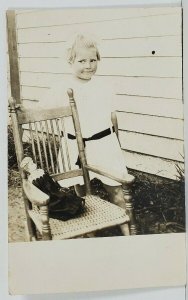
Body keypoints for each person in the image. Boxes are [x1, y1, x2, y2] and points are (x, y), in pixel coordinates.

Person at [47, 33, 129, 232]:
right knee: (82, 192)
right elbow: (42, 110)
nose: (88, 65)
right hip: (74, 145)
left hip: (103, 143)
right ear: (70, 61)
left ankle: (127, 229)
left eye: (93, 60)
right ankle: (90, 228)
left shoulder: (104, 86)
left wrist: (115, 144)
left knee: (116, 189)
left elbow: (112, 116)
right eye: (82, 60)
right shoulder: (61, 87)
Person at [20, 156, 85, 221]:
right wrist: (39, 202)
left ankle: (75, 208)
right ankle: (67, 212)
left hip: (54, 191)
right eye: (32, 164)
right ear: (28, 169)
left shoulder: (41, 171)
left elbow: (51, 180)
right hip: (46, 197)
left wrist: (59, 187)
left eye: (33, 162)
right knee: (59, 202)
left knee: (67, 196)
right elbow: (35, 191)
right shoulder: (31, 179)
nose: (34, 164)